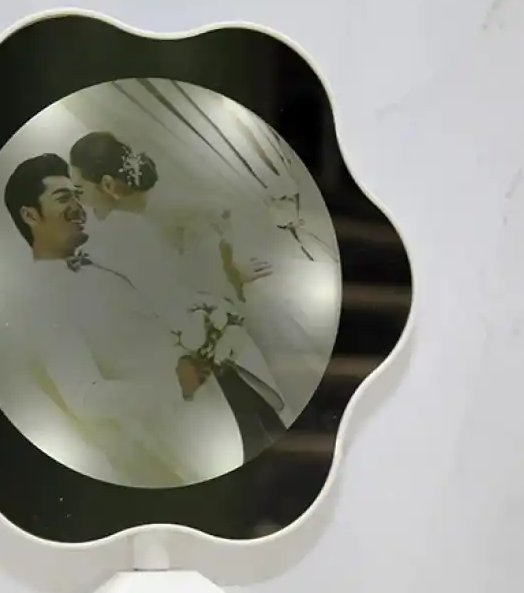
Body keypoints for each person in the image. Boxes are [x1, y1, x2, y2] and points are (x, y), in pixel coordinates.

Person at [2, 153, 244, 487]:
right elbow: (86, 398)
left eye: (77, 195)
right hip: (174, 441)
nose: (79, 207)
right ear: (30, 215)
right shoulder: (40, 302)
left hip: (215, 409)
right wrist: (176, 385)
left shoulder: (97, 258)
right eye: (63, 198)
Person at [68, 131, 338, 425]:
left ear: (108, 185)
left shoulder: (155, 209)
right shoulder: (120, 226)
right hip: (203, 304)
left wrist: (231, 263)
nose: (80, 201)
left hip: (225, 292)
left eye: (80, 190)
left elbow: (222, 212)